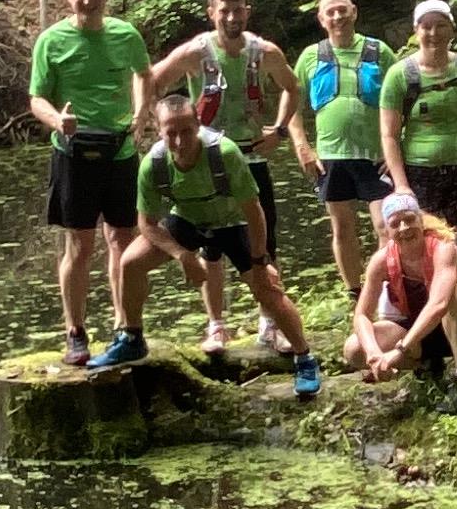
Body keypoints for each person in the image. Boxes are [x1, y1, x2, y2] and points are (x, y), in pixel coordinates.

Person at [95, 92, 321, 392]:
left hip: (232, 221)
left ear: (198, 125)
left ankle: (304, 358)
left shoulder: (224, 153)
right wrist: (183, 255)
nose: (179, 141)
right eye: (171, 133)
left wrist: (259, 260)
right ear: (158, 130)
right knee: (130, 262)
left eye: (186, 131)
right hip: (188, 220)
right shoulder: (153, 164)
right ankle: (132, 337)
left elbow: (254, 211)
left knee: (266, 287)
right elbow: (146, 224)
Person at [147, 0, 297, 346]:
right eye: (224, 11)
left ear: (248, 11)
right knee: (211, 245)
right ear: (211, 13)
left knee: (264, 242)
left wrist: (279, 130)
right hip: (205, 158)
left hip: (250, 154)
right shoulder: (195, 53)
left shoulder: (264, 52)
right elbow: (152, 80)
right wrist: (163, 126)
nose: (232, 18)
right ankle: (216, 325)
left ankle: (269, 322)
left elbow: (293, 87)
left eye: (238, 10)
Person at [27, 0, 154, 369]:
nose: (87, 0)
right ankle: (75, 332)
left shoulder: (126, 35)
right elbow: (37, 98)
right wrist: (56, 120)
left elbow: (144, 73)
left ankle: (125, 326)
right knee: (79, 244)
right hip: (73, 152)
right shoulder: (51, 41)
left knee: (122, 240)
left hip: (120, 150)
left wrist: (140, 112)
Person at [289, 0, 392, 302]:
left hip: (375, 155)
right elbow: (292, 108)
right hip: (330, 156)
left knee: (385, 226)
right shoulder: (311, 56)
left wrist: (395, 150)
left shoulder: (379, 51)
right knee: (342, 228)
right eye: (330, 12)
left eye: (342, 10)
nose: (337, 16)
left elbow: (402, 101)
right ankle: (355, 293)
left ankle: (384, 289)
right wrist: (303, 147)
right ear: (322, 19)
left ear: (354, 12)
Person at [379, 0, 457, 244]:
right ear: (416, 31)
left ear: (452, 29)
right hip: (419, 176)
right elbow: (389, 135)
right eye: (426, 27)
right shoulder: (399, 76)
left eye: (441, 25)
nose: (434, 33)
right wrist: (401, 186)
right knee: (426, 245)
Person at [352, 188, 457, 385]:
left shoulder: (443, 248)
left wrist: (400, 349)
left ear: (421, 220)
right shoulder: (381, 261)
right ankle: (425, 366)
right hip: (419, 333)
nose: (404, 228)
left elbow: (439, 304)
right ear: (387, 231)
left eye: (409, 219)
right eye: (395, 224)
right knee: (354, 348)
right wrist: (374, 354)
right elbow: (362, 315)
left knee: (456, 296)